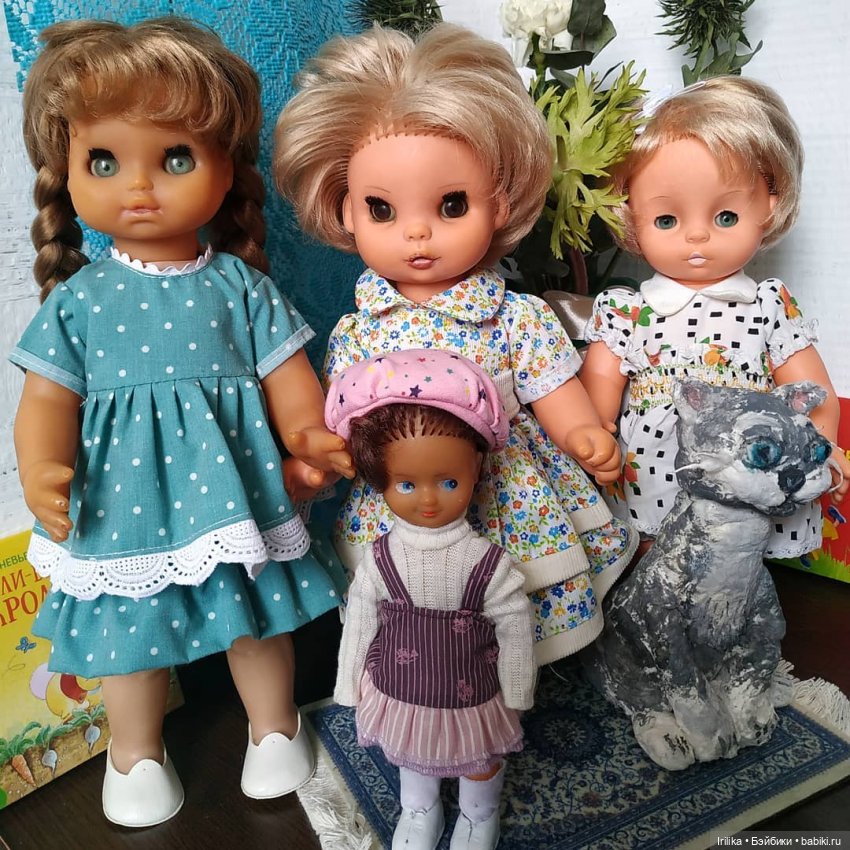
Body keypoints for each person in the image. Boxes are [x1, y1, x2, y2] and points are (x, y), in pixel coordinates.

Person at [10, 17, 352, 827]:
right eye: (104, 161)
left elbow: (288, 375)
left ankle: (275, 730)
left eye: (174, 158)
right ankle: (134, 757)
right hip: (121, 508)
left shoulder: (237, 285)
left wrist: (307, 436)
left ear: (226, 167)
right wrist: (42, 469)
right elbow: (46, 401)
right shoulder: (82, 301)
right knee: (129, 640)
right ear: (67, 171)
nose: (139, 186)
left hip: (234, 501)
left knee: (255, 617)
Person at [274, 23, 637, 665]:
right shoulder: (358, 330)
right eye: (382, 210)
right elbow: (340, 416)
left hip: (505, 492)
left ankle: (506, 681)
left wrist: (582, 434)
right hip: (398, 496)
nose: (417, 233)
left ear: (500, 203)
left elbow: (553, 389)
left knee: (510, 611)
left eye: (450, 205)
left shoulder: (512, 316)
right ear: (347, 210)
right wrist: (320, 458)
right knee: (410, 619)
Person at [579, 76, 849, 557]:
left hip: (751, 468)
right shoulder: (627, 311)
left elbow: (813, 391)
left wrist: (821, 449)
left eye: (725, 217)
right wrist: (595, 432)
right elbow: (600, 380)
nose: (697, 236)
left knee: (742, 556)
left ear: (770, 203)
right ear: (631, 215)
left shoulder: (768, 304)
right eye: (667, 220)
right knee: (654, 556)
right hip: (655, 471)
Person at [326, 349, 534, 850]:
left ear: (476, 468)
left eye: (448, 482)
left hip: (472, 695)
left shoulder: (488, 563)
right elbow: (360, 623)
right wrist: (347, 684)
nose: (427, 499)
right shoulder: (379, 558)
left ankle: (479, 814)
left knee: (480, 759)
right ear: (380, 481)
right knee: (411, 754)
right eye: (405, 483)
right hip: (402, 690)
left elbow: (515, 626)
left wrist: (517, 690)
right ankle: (420, 808)